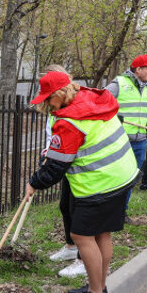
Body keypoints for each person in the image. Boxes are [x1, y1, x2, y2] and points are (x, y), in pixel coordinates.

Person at [27, 71, 138, 293]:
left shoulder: (69, 121)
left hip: (100, 181)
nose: (47, 104)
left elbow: (55, 168)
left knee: (80, 235)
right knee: (102, 233)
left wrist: (34, 183)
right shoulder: (90, 98)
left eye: (48, 99)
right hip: (121, 173)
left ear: (59, 94)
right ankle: (97, 285)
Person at [104, 54, 147, 218]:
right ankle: (108, 212)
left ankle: (121, 213)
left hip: (140, 142)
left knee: (132, 178)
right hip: (120, 141)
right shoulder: (120, 83)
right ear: (138, 69)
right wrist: (112, 116)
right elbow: (101, 102)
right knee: (116, 178)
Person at [39, 65, 85, 279]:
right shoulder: (56, 108)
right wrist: (50, 149)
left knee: (81, 214)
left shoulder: (75, 106)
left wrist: (36, 182)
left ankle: (83, 260)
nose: (46, 102)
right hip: (67, 161)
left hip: (84, 167)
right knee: (65, 206)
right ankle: (70, 248)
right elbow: (54, 134)